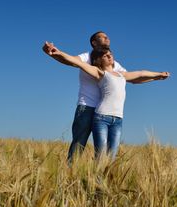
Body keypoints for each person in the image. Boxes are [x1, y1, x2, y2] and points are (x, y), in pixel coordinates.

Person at [44, 43, 169, 158]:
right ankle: (95, 181)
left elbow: (141, 74)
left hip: (118, 120)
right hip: (102, 118)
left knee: (112, 156)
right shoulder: (100, 73)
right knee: (101, 155)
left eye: (110, 54)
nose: (109, 56)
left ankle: (103, 181)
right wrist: (59, 53)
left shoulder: (121, 74)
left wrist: (158, 75)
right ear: (98, 60)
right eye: (105, 55)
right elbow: (79, 63)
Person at [43, 31, 129, 163]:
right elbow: (71, 61)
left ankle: (97, 177)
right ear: (94, 42)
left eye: (107, 36)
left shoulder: (113, 63)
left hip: (105, 111)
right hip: (87, 107)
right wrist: (55, 53)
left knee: (103, 151)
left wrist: (157, 77)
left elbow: (132, 77)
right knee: (79, 143)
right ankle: (71, 173)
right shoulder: (86, 56)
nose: (107, 38)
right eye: (102, 36)